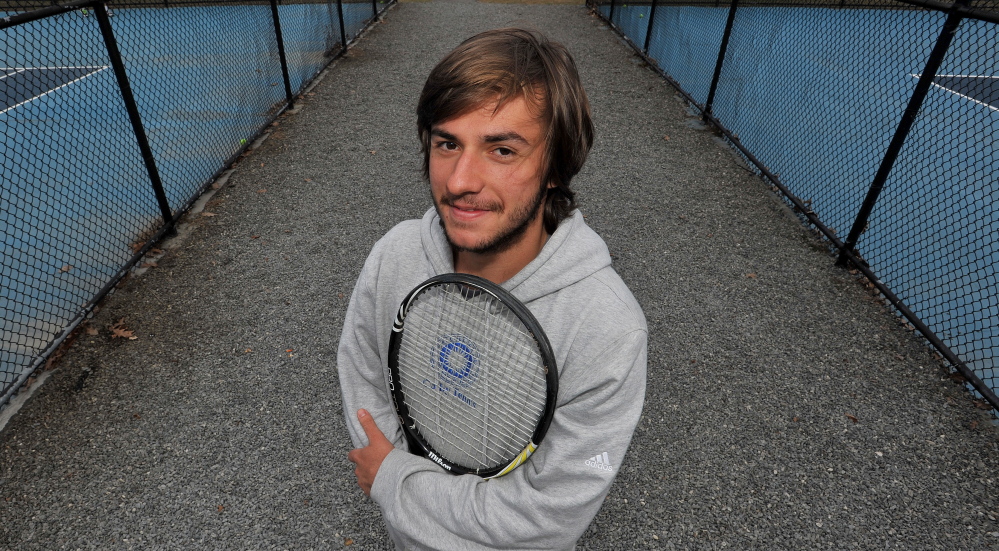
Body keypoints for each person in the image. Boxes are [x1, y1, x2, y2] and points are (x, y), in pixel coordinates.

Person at [338, 28, 647, 549]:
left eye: (502, 149)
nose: (460, 180)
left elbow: (546, 519)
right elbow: (363, 375)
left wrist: (397, 482)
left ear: (555, 166)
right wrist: (408, 486)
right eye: (447, 143)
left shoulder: (608, 327)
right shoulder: (395, 254)